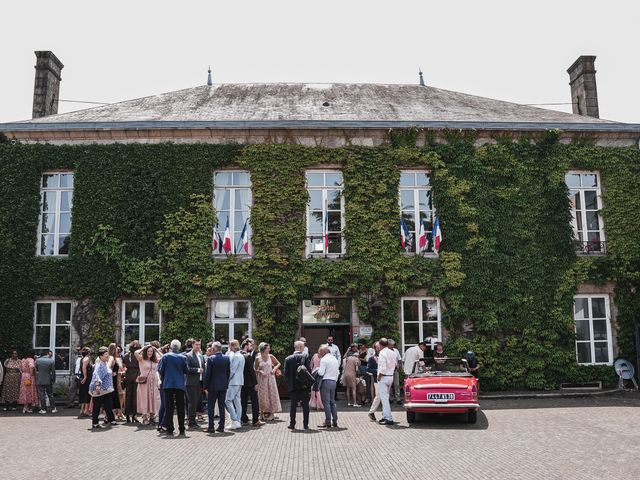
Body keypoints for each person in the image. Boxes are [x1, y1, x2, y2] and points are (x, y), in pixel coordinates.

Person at [159, 339, 193, 436]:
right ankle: (181, 429)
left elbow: (161, 370)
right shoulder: (183, 357)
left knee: (169, 407)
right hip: (179, 384)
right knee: (180, 407)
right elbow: (187, 370)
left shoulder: (165, 357)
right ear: (179, 347)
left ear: (170, 346)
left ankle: (170, 428)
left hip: (168, 384)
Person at [283, 340, 312, 430]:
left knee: (293, 406)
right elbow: (309, 372)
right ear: (300, 347)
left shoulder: (288, 359)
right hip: (304, 386)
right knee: (305, 406)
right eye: (303, 347)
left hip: (293, 386)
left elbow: (286, 373)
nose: (304, 348)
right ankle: (305, 425)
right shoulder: (305, 357)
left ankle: (292, 424)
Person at [204, 341, 230, 433]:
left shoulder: (211, 359)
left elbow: (208, 374)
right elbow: (228, 373)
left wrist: (205, 386)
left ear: (214, 349)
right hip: (223, 385)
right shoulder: (226, 358)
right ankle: (221, 426)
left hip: (213, 386)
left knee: (211, 406)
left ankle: (211, 427)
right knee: (221, 406)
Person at [89, 347, 116, 429]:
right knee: (97, 406)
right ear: (101, 356)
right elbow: (96, 375)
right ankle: (95, 423)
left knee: (108, 404)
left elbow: (106, 373)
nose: (107, 356)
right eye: (105, 355)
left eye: (108, 355)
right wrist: (97, 385)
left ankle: (111, 419)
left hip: (106, 390)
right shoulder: (99, 365)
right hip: (100, 389)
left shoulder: (104, 363)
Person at [254, 342, 282, 422]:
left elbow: (278, 363)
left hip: (271, 379)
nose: (269, 349)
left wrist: (274, 369)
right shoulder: (258, 358)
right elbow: (255, 369)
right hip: (262, 380)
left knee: (271, 395)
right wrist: (260, 371)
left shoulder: (271, 356)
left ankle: (272, 413)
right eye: (268, 348)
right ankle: (261, 413)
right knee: (262, 396)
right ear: (263, 349)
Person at [134, 344, 161, 425]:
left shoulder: (155, 360)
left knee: (153, 399)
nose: (150, 353)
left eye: (151, 351)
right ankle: (145, 416)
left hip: (153, 383)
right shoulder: (141, 359)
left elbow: (163, 357)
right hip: (144, 383)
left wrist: (157, 350)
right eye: (148, 351)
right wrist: (144, 348)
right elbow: (136, 352)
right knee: (144, 399)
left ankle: (152, 416)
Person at [240, 338, 263, 427]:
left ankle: (243, 419)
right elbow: (251, 371)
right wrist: (255, 383)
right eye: (250, 345)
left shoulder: (237, 355)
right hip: (250, 383)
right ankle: (255, 420)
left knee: (243, 401)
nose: (252, 347)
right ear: (246, 346)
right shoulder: (247, 356)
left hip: (241, 383)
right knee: (254, 401)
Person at [374, 338, 398, 425]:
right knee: (386, 397)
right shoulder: (393, 352)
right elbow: (396, 365)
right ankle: (385, 416)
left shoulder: (382, 353)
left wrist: (379, 377)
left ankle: (388, 418)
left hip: (383, 377)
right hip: (390, 376)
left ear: (380, 345)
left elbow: (383, 368)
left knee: (384, 399)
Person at [185, 338, 205, 429]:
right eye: (196, 344)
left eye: (199, 344)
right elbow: (187, 369)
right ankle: (191, 422)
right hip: (190, 383)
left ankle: (193, 420)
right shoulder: (188, 356)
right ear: (192, 345)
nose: (198, 346)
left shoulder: (200, 356)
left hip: (199, 382)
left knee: (196, 402)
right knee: (192, 402)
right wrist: (197, 370)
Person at [317, 344, 339, 428]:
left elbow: (321, 373)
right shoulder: (334, 359)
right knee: (332, 402)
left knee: (326, 402)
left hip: (326, 381)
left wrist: (317, 370)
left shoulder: (324, 360)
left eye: (320, 351)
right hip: (333, 381)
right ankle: (335, 420)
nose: (319, 353)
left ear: (324, 351)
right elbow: (337, 372)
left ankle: (328, 421)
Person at [225, 339, 245, 430]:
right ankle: (238, 420)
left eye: (230, 346)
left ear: (233, 346)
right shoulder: (241, 356)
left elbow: (232, 370)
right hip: (240, 381)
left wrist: (227, 380)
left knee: (228, 400)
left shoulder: (236, 357)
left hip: (233, 381)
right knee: (237, 401)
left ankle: (235, 420)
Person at [123, 340, 140, 423]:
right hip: (136, 375)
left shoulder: (126, 355)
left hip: (128, 375)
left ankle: (127, 415)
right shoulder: (138, 355)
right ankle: (134, 415)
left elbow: (124, 366)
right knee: (135, 396)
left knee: (128, 396)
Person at [107, 343, 124, 420]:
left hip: (117, 379)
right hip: (113, 380)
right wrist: (111, 373)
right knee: (113, 397)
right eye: (117, 348)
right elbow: (108, 367)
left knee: (117, 396)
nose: (118, 350)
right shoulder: (111, 358)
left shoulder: (115, 358)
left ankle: (117, 413)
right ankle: (110, 415)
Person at [78, 347, 93, 418]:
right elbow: (84, 367)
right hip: (87, 378)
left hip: (85, 377)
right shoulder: (86, 359)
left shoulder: (82, 358)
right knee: (87, 393)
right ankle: (86, 411)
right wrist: (85, 376)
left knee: (84, 393)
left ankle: (82, 410)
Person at [388, 339, 402, 404]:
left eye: (393, 345)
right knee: (389, 385)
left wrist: (399, 365)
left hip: (395, 369)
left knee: (397, 384)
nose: (392, 346)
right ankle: (390, 398)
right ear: (388, 345)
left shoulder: (396, 350)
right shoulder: (386, 351)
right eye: (391, 345)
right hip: (388, 370)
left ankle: (398, 398)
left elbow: (399, 359)